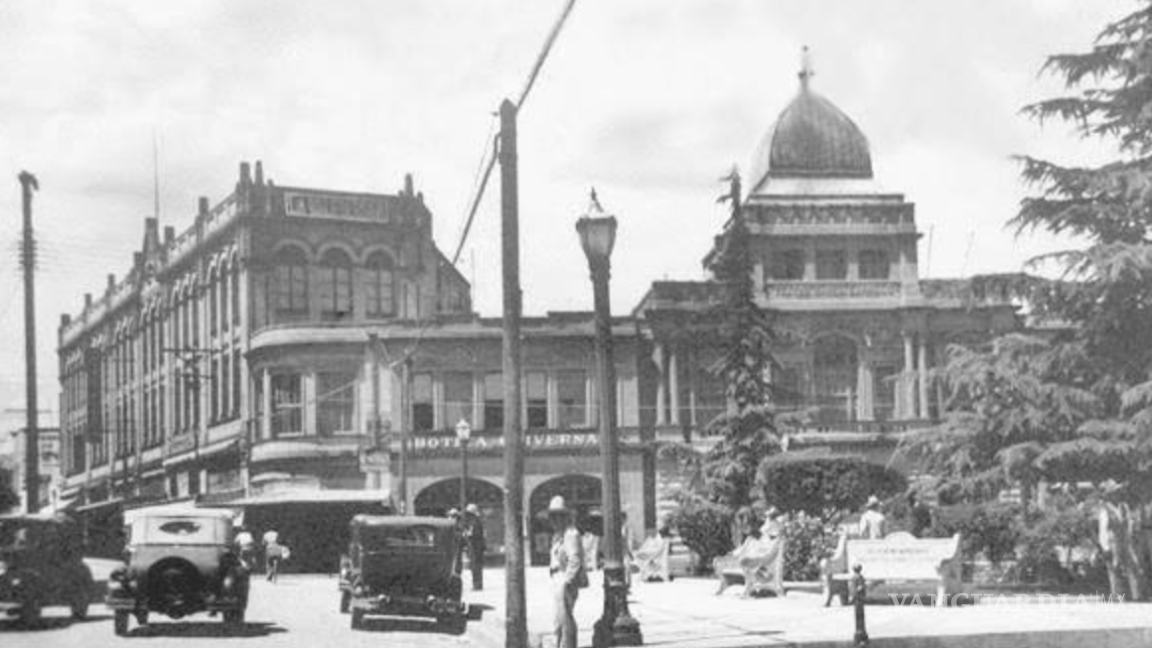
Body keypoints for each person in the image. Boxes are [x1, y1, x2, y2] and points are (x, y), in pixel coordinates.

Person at [549, 495, 586, 648]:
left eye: (558, 515)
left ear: (565, 516)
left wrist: (567, 580)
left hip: (565, 578)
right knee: (559, 618)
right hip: (557, 576)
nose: (555, 519)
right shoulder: (558, 535)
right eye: (553, 516)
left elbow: (575, 559)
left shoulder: (571, 534)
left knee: (564, 619)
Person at [463, 503, 486, 591]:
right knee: (476, 566)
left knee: (475, 566)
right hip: (476, 547)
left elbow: (474, 534)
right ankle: (477, 584)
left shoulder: (474, 522)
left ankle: (477, 584)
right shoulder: (475, 521)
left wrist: (467, 534)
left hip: (475, 547)